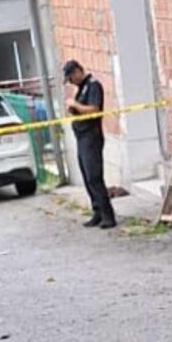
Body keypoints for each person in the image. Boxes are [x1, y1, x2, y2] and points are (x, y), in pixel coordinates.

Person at [63, 60, 115, 229]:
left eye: (71, 78)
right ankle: (97, 211)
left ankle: (108, 215)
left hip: (91, 137)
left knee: (94, 176)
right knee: (86, 176)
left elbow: (94, 110)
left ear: (78, 71)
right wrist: (74, 109)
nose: (71, 82)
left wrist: (76, 105)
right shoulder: (81, 89)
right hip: (81, 137)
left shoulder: (93, 86)